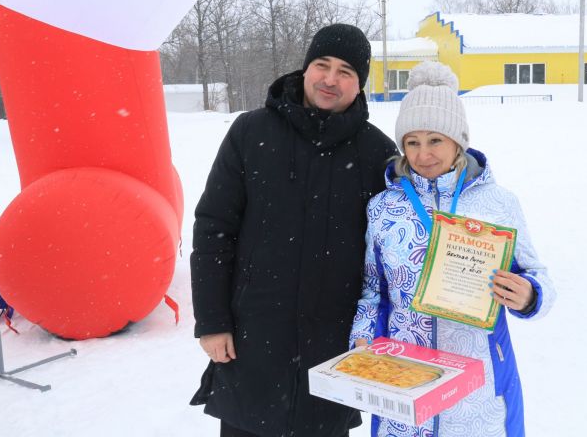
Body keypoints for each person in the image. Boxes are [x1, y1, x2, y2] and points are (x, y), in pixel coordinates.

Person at [189, 23, 399, 437]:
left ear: (359, 85)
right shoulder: (251, 133)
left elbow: (394, 251)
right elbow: (214, 228)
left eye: (346, 72)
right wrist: (212, 321)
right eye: (322, 65)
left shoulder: (377, 153)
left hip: (334, 347)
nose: (330, 79)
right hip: (252, 338)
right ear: (305, 69)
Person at [350, 61, 556, 437]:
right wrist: (363, 338)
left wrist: (529, 295)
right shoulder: (382, 208)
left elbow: (537, 275)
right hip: (403, 375)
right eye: (412, 142)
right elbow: (371, 291)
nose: (423, 154)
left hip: (477, 382)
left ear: (457, 141)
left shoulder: (498, 203)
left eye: (435, 141)